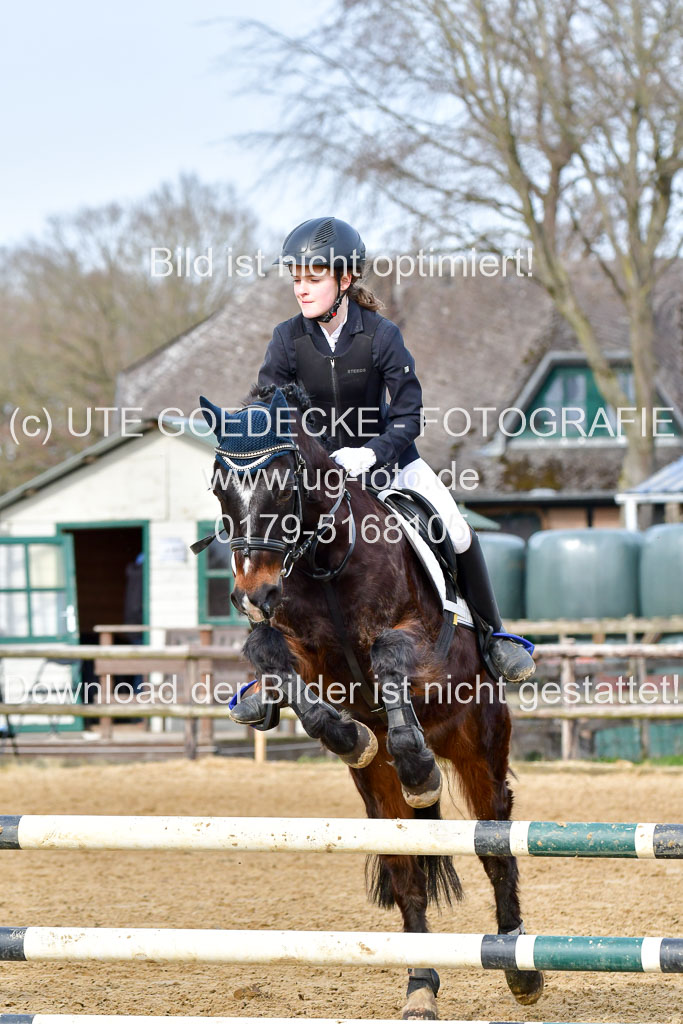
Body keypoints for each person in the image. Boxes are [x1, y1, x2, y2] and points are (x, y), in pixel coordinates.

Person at [231, 217, 534, 724]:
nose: (301, 287)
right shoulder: (286, 340)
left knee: (456, 530)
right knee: (262, 536)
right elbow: (267, 409)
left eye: (314, 276)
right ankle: (266, 676)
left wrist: (371, 454)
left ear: (345, 279)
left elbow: (409, 413)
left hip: (389, 465)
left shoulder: (380, 335)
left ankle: (493, 635)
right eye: (296, 277)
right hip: (318, 479)